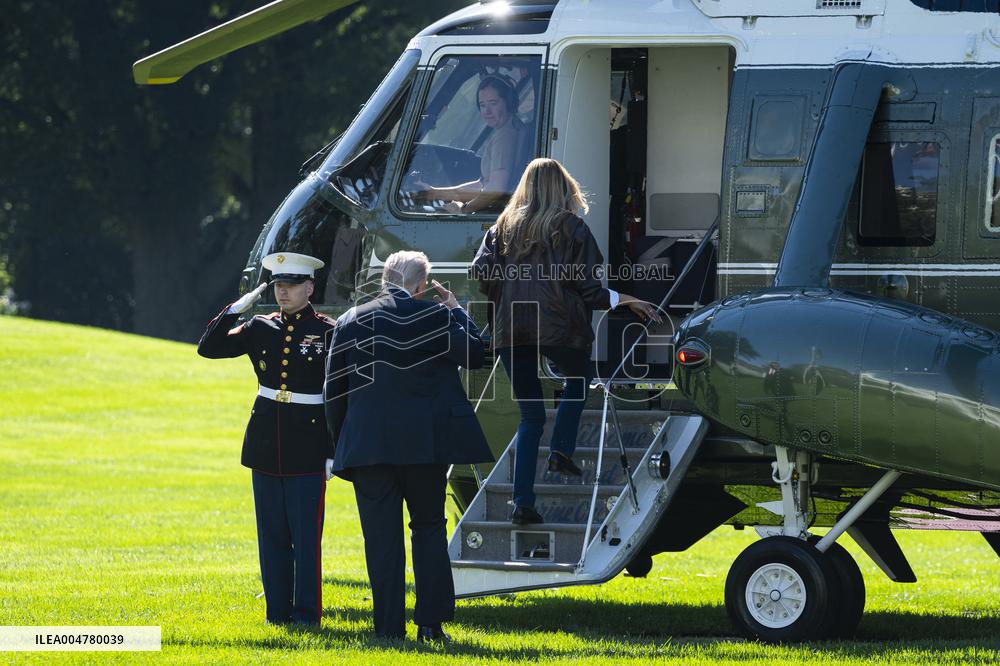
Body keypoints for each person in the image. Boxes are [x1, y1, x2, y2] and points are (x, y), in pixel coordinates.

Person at [470, 158, 662, 525]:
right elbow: (589, 289)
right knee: (578, 381)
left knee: (530, 417)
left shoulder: (501, 228)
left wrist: (508, 291)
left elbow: (481, 273)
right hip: (560, 326)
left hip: (512, 329)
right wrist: (626, 299)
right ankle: (561, 449)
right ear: (562, 188)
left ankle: (522, 503)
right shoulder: (572, 228)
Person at [323, 250, 493, 642]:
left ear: (385, 279)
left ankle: (387, 629)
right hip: (425, 447)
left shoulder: (351, 318)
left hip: (368, 447)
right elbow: (475, 354)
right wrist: (455, 309)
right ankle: (430, 625)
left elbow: (334, 389)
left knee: (381, 539)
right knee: (429, 529)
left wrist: (339, 443)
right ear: (422, 286)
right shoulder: (436, 316)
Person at [197, 252, 336, 626]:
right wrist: (235, 309)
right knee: (271, 538)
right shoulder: (260, 326)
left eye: (290, 286)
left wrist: (332, 450)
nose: (283, 293)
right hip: (265, 445)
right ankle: (277, 613)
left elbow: (339, 394)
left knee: (306, 542)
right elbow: (207, 348)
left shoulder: (328, 331)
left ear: (309, 287)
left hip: (308, 445)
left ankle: (306, 616)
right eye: (278, 286)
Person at [414, 75, 524, 214]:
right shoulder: (513, 126)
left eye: (493, 103)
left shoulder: (505, 135)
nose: (486, 111)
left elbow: (497, 187)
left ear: (508, 103)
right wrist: (434, 192)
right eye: (483, 105)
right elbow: (483, 185)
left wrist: (464, 209)